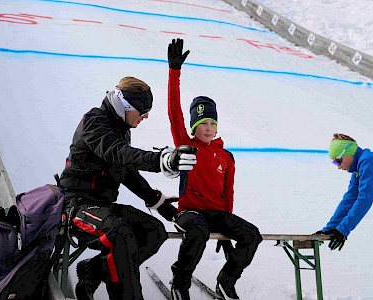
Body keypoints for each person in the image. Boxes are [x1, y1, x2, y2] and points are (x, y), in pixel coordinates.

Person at [59, 76, 198, 300]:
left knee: (154, 232)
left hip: (101, 207)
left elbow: (125, 171)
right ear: (124, 106)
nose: (146, 117)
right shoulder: (95, 122)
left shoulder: (122, 128)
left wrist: (160, 203)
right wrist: (161, 160)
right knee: (120, 233)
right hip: (76, 207)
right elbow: (119, 153)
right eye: (142, 112)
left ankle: (92, 270)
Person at [166, 38, 263, 300]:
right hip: (189, 212)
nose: (208, 127)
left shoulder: (226, 157)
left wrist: (227, 233)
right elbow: (174, 112)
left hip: (217, 213)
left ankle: (226, 281)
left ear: (217, 126)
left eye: (212, 122)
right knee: (198, 231)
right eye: (202, 123)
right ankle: (180, 283)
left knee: (252, 236)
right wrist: (174, 71)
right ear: (194, 126)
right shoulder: (186, 145)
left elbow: (227, 194)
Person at [315, 133, 373, 251]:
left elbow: (365, 199)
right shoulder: (358, 167)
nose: (338, 166)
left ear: (347, 154)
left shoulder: (368, 162)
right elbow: (349, 199)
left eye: (338, 161)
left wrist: (343, 229)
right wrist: (330, 228)